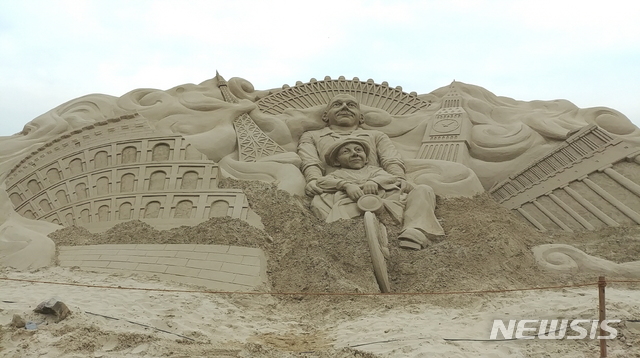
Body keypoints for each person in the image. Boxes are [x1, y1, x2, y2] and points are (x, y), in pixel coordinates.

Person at [298, 94, 444, 249]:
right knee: (320, 202)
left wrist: (398, 178)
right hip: (339, 189)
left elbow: (390, 159)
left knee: (423, 190)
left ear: (361, 117)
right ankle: (342, 234)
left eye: (351, 105)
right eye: (337, 104)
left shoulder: (376, 135)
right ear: (325, 115)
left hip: (380, 185)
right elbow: (310, 161)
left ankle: (415, 230)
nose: (345, 107)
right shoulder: (312, 135)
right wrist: (313, 179)